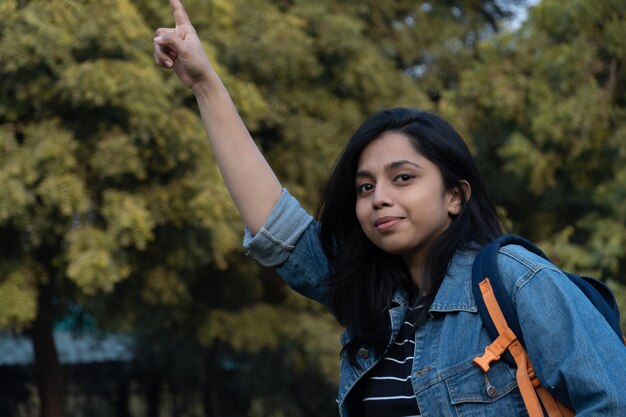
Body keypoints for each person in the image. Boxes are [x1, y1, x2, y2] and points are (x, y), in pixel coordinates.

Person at [153, 1, 626, 416]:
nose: (379, 196)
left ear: (455, 196)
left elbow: (612, 399)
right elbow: (277, 228)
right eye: (364, 187)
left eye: (403, 178)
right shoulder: (377, 302)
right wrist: (205, 85)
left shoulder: (515, 278)